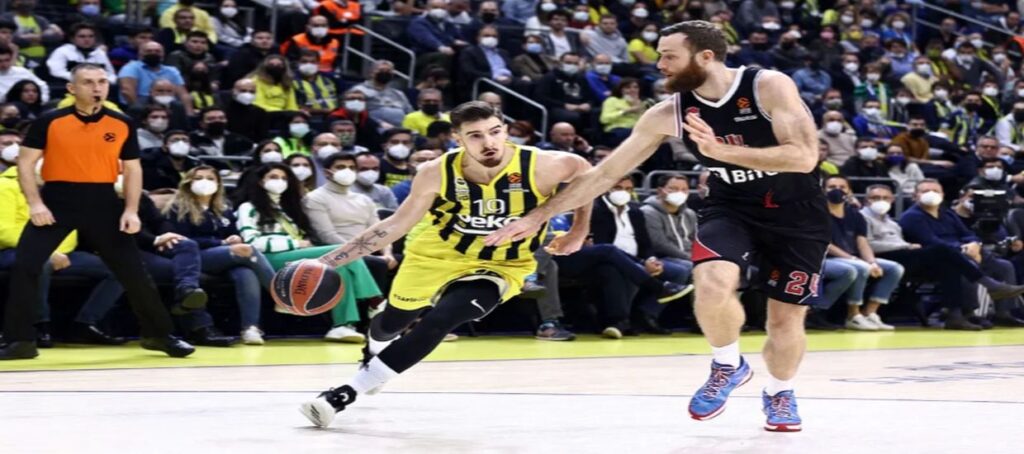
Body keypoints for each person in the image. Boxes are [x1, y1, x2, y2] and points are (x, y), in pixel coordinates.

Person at [487, 21, 825, 432]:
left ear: (705, 57)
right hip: (731, 208)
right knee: (711, 283)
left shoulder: (768, 86)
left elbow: (803, 157)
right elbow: (604, 173)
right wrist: (539, 215)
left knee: (784, 321)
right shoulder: (668, 113)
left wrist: (720, 151)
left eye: (669, 56)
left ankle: (780, 391)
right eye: (660, 54)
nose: (659, 64)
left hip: (797, 213)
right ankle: (727, 365)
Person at [298, 101, 594, 427]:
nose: (489, 142)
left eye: (495, 132)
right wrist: (327, 262)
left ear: (506, 132)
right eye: (476, 136)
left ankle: (343, 394)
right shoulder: (435, 172)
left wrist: (579, 229)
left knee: (443, 318)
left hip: (503, 264)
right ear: (458, 138)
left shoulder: (544, 165)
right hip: (435, 255)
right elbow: (396, 224)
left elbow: (587, 174)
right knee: (391, 322)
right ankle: (373, 355)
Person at [0, 64, 192, 360]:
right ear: (72, 88)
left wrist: (131, 210)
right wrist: (36, 204)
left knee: (134, 271)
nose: (97, 87)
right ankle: (20, 340)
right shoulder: (49, 121)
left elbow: (132, 169)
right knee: (26, 265)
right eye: (88, 82)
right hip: (57, 198)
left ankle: (159, 335)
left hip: (103, 199)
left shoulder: (122, 122)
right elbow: (25, 163)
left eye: (102, 81)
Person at [236, 163, 381, 342]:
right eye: (273, 177)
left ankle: (342, 326)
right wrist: (294, 243)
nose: (280, 182)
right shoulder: (248, 207)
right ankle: (375, 300)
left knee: (339, 265)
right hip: (266, 260)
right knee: (342, 251)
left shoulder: (287, 209)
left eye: (284, 178)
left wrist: (302, 244)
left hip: (297, 256)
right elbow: (253, 243)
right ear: (260, 181)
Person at [163, 166, 276, 345]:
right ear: (188, 183)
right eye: (198, 178)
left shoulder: (224, 208)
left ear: (218, 184)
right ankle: (281, 295)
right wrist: (221, 243)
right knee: (247, 251)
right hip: (193, 258)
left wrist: (234, 238)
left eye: (210, 178)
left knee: (245, 272)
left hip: (221, 256)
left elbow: (233, 233)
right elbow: (183, 241)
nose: (204, 182)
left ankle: (250, 328)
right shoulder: (177, 208)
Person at [822, 175, 904, 330]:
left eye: (842, 187)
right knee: (860, 267)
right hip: (826, 258)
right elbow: (826, 244)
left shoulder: (856, 215)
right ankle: (853, 315)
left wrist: (872, 262)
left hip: (853, 258)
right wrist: (855, 260)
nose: (837, 190)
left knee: (894, 268)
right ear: (823, 190)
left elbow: (862, 242)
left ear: (849, 191)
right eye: (832, 187)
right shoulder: (817, 213)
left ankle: (870, 313)